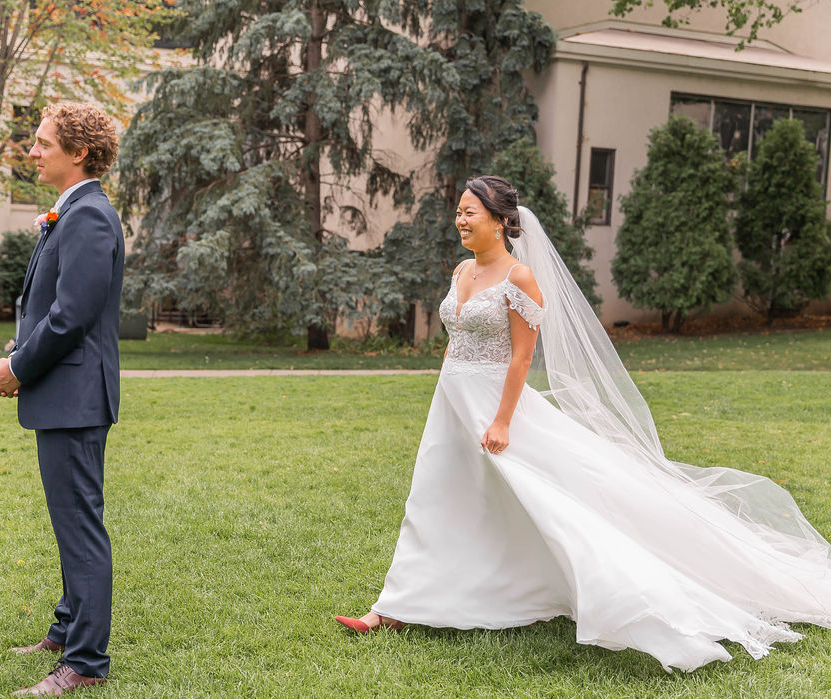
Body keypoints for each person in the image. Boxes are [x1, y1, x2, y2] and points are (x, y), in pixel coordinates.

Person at [335, 175, 831, 672]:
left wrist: (502, 421)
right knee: (435, 495)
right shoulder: (462, 270)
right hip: (452, 404)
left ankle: (582, 593)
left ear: (501, 220)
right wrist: (447, 393)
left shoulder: (519, 278)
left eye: (470, 212)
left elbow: (521, 359)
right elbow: (456, 336)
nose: (460, 220)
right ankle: (393, 607)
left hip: (497, 406)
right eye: (459, 211)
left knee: (549, 505)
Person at [0, 102, 124, 695]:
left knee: (79, 526)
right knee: (70, 520)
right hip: (63, 392)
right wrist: (21, 346)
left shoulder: (90, 216)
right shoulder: (69, 213)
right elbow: (50, 310)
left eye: (43, 143)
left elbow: (71, 319)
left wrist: (17, 366)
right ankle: (66, 629)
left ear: (79, 153)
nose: (32, 151)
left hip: (75, 396)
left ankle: (85, 663)